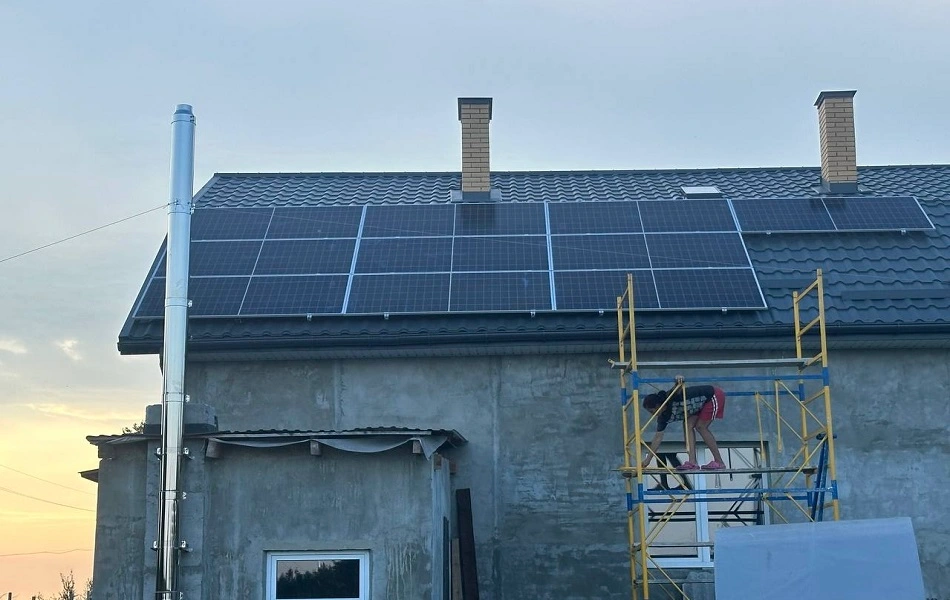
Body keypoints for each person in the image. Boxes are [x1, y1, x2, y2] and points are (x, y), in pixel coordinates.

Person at [640, 376, 727, 471]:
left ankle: (719, 462)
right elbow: (657, 438)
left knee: (701, 427)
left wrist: (678, 379)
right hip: (697, 407)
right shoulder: (663, 417)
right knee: (687, 425)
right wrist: (648, 460)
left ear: (658, 406)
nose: (653, 415)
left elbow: (677, 388)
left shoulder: (669, 397)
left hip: (712, 396)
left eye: (652, 411)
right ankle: (692, 462)